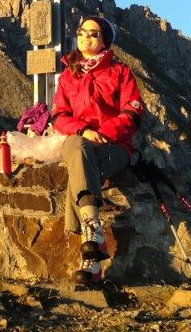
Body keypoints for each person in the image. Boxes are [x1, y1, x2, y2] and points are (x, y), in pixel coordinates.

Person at [51, 15, 144, 285]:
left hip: (114, 147)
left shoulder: (120, 72)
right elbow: (58, 115)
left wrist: (104, 134)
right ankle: (94, 235)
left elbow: (133, 113)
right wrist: (83, 130)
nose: (85, 37)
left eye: (93, 34)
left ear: (104, 40)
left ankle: (91, 261)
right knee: (77, 146)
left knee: (80, 166)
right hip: (79, 139)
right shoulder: (69, 75)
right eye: (82, 32)